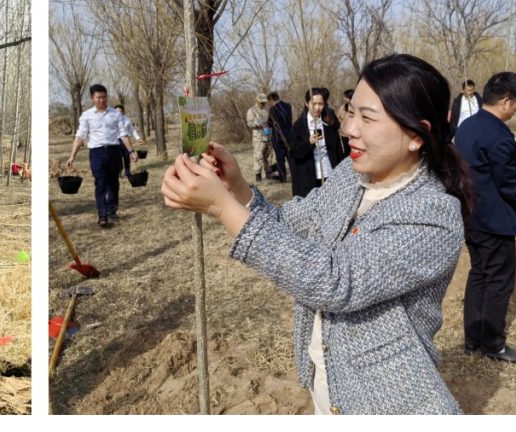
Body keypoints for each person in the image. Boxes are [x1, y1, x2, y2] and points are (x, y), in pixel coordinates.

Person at [162, 54, 471, 415]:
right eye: (351, 112)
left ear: (417, 135)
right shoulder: (351, 177)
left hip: (388, 402)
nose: (349, 128)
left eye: (368, 118)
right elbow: (292, 225)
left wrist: (221, 209)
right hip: (330, 386)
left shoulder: (433, 216)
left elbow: (337, 280)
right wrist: (238, 189)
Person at [455, 71, 516, 363]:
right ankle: (494, 344)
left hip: (471, 217)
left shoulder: (467, 126)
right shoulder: (500, 135)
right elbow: (510, 189)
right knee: (499, 282)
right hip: (494, 222)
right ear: (505, 101)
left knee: (479, 275)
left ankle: (472, 340)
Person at [65, 84, 137, 227]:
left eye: (104, 97)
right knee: (100, 184)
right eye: (99, 98)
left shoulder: (115, 114)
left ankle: (111, 211)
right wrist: (72, 155)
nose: (102, 100)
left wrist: (131, 151)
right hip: (97, 152)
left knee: (114, 183)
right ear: (92, 98)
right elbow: (80, 137)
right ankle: (102, 216)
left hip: (114, 151)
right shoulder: (87, 116)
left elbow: (123, 135)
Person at [290, 88, 344, 199]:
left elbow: (337, 149)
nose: (317, 108)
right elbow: (295, 153)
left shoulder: (328, 121)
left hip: (329, 172)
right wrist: (309, 143)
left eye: (321, 104)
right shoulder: (299, 126)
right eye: (314, 104)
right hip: (309, 176)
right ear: (306, 103)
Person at [245, 94, 273, 182]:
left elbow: (271, 120)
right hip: (258, 137)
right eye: (261, 102)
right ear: (257, 101)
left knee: (267, 156)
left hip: (267, 135)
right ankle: (258, 175)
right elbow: (249, 123)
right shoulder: (251, 111)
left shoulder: (267, 109)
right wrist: (258, 123)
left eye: (264, 102)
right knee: (258, 156)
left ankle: (268, 173)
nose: (263, 104)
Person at [267, 92, 293, 182]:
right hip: (290, 135)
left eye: (269, 101)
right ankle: (294, 175)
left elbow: (269, 123)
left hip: (279, 138)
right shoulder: (288, 106)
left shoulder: (273, 109)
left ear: (271, 100)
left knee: (280, 159)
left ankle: (283, 178)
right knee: (290, 157)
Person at [112, 101, 142, 177]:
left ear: (123, 112)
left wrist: (138, 138)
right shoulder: (111, 120)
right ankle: (119, 171)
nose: (118, 113)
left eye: (120, 111)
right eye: (116, 111)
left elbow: (132, 130)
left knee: (127, 157)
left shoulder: (126, 120)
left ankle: (128, 173)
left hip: (126, 141)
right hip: (116, 141)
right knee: (118, 158)